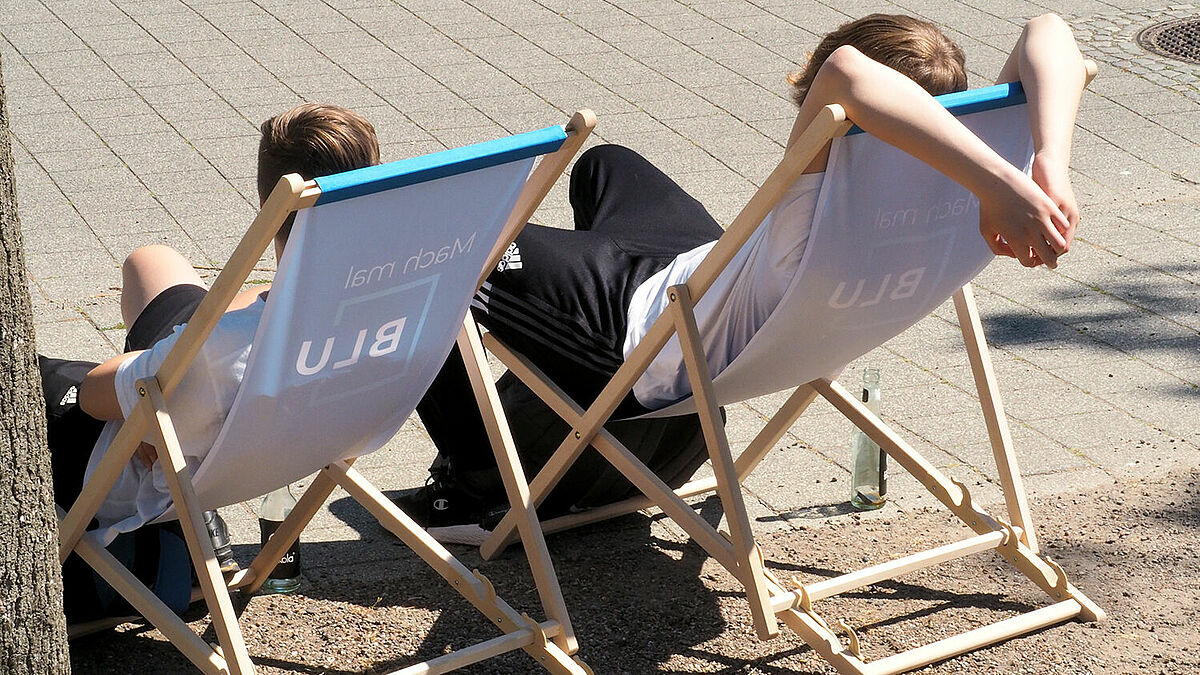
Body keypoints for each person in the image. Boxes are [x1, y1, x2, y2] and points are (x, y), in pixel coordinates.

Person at [403, 13, 1087, 540]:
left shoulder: (828, 187)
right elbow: (1049, 30)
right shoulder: (978, 200)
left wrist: (1005, 181)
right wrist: (1045, 165)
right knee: (605, 166)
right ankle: (570, 421)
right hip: (711, 270)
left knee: (439, 252)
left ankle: (475, 481)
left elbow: (847, 69)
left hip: (651, 331)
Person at [42, 103, 380, 621]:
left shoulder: (221, 351)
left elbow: (94, 395)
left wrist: (156, 365)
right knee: (155, 263)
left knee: (34, 377)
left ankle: (163, 546)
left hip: (153, 474)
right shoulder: (401, 301)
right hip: (283, 448)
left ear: (269, 203)